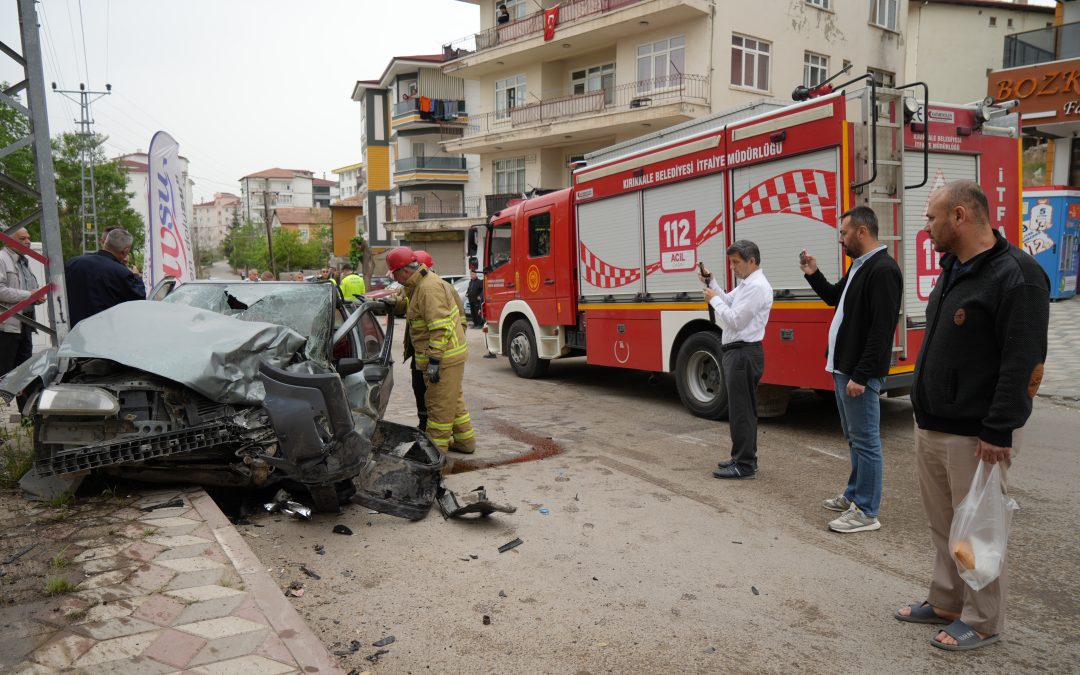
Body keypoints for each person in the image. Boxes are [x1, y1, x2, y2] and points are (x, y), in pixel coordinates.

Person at [895, 180, 1048, 652]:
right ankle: (946, 601)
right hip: (935, 424)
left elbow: (1023, 361)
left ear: (959, 216)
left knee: (978, 532)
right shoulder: (955, 268)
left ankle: (983, 621)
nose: (926, 229)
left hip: (978, 434)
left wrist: (999, 427)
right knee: (945, 527)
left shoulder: (1017, 275)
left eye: (931, 218)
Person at [800, 206, 903, 534]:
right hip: (844, 367)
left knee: (867, 440)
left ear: (862, 231)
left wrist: (861, 375)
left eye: (844, 233)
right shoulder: (860, 267)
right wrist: (813, 273)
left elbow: (881, 330)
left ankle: (866, 512)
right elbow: (834, 298)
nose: (840, 239)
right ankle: (854, 495)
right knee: (855, 438)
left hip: (858, 372)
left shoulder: (883, 270)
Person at [386, 246, 475, 455]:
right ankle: (465, 441)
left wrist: (434, 360)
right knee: (453, 402)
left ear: (404, 271)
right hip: (446, 355)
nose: (396, 280)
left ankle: (435, 454)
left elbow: (440, 327)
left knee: (438, 409)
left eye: (395, 275)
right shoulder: (419, 285)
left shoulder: (428, 288)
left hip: (443, 357)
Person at [699, 240, 772, 479]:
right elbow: (729, 301)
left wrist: (713, 299)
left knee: (742, 410)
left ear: (752, 261)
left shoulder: (757, 287)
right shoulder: (747, 284)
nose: (732, 267)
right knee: (742, 409)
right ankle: (742, 457)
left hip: (743, 353)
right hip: (740, 352)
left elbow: (735, 319)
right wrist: (714, 284)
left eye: (736, 262)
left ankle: (745, 464)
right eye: (731, 262)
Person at [65, 227, 146, 327]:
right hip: (104, 333)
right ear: (125, 251)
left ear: (105, 243)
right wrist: (136, 276)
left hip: (74, 332)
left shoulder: (73, 263)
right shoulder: (121, 273)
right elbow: (139, 299)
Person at [1, 228, 46, 384]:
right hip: (7, 327)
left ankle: (24, 408)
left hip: (25, 323)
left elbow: (30, 287)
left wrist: (36, 296)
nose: (28, 242)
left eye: (29, 238)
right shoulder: (2, 258)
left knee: (25, 375)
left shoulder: (23, 261)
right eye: (22, 238)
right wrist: (30, 295)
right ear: (8, 240)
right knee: (4, 374)